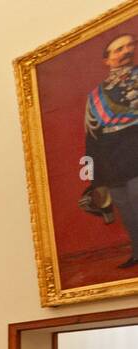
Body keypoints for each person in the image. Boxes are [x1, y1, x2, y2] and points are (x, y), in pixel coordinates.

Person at [84, 33, 138, 268]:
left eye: (129, 46)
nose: (125, 52)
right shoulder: (95, 96)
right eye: (118, 49)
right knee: (126, 209)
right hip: (112, 159)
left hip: (135, 149)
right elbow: (92, 137)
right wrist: (91, 176)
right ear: (107, 60)